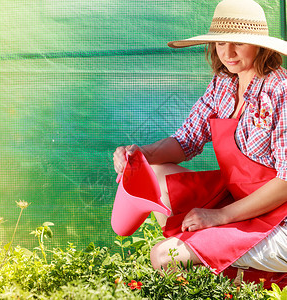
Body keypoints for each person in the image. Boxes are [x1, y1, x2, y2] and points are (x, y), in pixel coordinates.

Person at [113, 0, 287, 275]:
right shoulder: (224, 83)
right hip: (239, 202)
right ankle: (227, 268)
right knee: (154, 172)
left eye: (237, 43)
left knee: (164, 256)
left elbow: (286, 182)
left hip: (279, 218)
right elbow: (187, 140)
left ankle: (253, 274)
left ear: (259, 45)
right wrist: (141, 155)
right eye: (220, 43)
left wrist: (218, 217)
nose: (227, 53)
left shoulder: (280, 90)